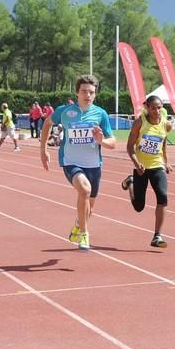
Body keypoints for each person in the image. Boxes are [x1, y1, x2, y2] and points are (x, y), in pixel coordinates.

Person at [39, 75, 116, 251]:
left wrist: (101, 141)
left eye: (91, 92)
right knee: (84, 190)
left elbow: (112, 143)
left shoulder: (100, 114)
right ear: (77, 92)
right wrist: (43, 150)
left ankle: (78, 224)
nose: (87, 95)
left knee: (89, 208)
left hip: (94, 165)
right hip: (70, 161)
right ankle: (84, 234)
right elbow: (47, 123)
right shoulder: (64, 111)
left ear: (95, 94)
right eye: (84, 91)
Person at [122, 95, 173, 248]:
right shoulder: (139, 123)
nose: (156, 111)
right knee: (139, 206)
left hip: (157, 165)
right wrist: (136, 163)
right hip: (141, 167)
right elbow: (130, 146)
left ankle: (157, 235)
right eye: (153, 108)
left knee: (163, 197)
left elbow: (163, 143)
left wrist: (166, 162)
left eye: (159, 107)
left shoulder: (166, 124)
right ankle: (130, 182)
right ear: (147, 108)